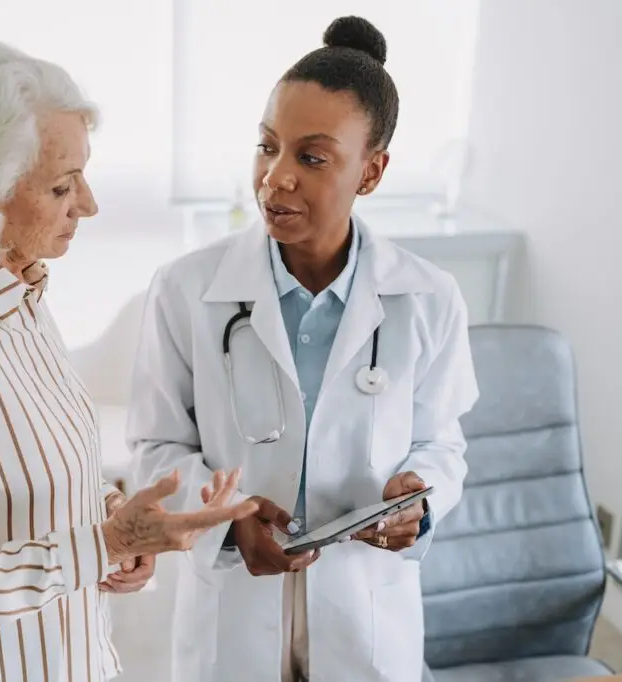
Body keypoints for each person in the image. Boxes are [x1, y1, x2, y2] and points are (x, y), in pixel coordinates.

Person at [0, 39, 257, 682]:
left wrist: (115, 520)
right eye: (62, 185)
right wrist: (104, 545)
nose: (88, 204)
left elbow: (24, 482)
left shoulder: (17, 292)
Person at [127, 16, 479, 682]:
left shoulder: (428, 298)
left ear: (371, 172)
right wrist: (229, 525)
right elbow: (155, 451)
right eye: (267, 147)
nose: (274, 178)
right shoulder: (186, 290)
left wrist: (418, 502)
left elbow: (443, 444)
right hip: (232, 616)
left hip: (366, 615)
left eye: (311, 157)